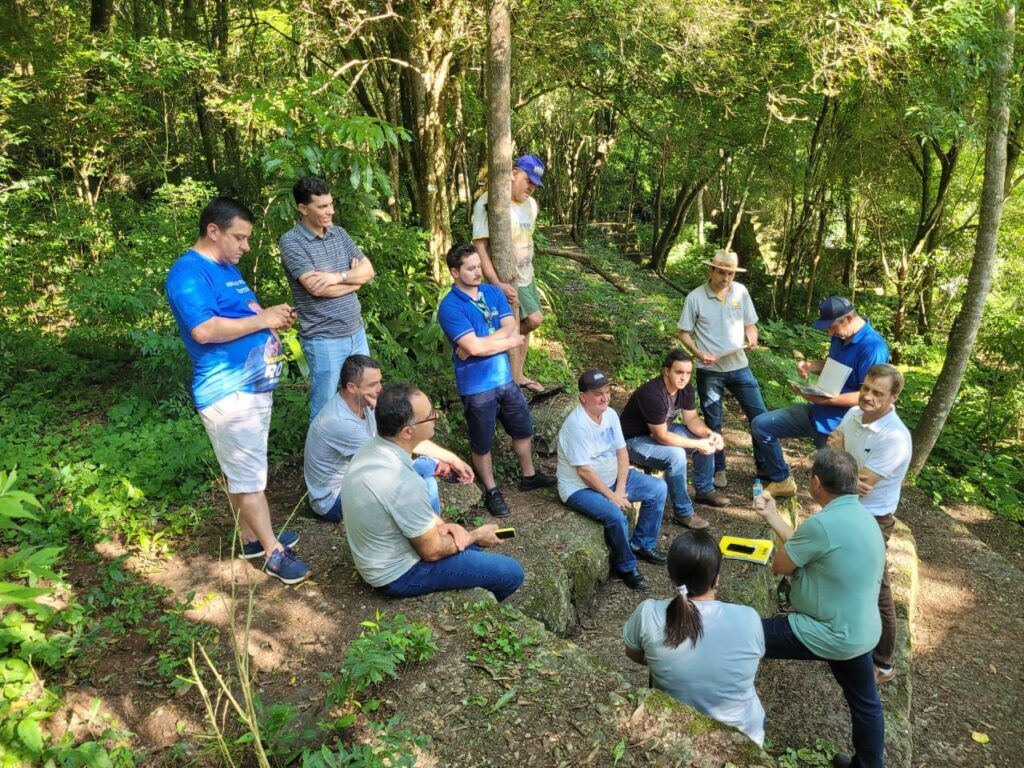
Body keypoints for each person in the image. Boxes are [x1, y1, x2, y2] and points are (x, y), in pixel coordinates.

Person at [166, 196, 309, 585]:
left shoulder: (225, 267)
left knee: (241, 471)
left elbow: (242, 314)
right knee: (249, 478)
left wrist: (268, 321)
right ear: (213, 231)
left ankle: (250, 539)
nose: (246, 246)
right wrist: (262, 319)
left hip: (252, 387)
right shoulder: (189, 274)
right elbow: (205, 330)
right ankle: (273, 552)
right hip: (229, 393)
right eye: (239, 237)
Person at [755, 449, 886, 768]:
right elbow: (807, 546)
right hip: (861, 630)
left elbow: (783, 565)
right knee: (866, 704)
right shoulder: (862, 516)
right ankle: (869, 765)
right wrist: (773, 517)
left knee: (745, 634)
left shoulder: (824, 524)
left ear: (815, 482)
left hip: (827, 630)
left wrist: (777, 530)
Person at [342, 384, 525, 601]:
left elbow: (413, 515)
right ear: (407, 431)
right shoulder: (401, 481)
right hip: (399, 574)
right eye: (429, 416)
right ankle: (486, 610)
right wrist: (474, 535)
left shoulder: (374, 447)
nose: (435, 416)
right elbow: (431, 551)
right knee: (512, 572)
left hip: (378, 559)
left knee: (471, 552)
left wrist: (442, 526)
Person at [437, 243, 556, 518]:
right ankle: (491, 489)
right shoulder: (450, 307)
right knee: (482, 441)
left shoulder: (492, 292)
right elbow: (486, 345)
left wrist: (479, 344)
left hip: (504, 379)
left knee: (522, 428)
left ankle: (529, 475)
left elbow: (509, 326)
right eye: (470, 268)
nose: (478, 272)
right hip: (476, 386)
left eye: (479, 266)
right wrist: (501, 343)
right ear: (455, 272)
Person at [623, 530, 766, 745]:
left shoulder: (648, 613)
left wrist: (664, 662)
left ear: (671, 576)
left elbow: (633, 653)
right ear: (716, 578)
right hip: (744, 736)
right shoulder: (749, 617)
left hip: (677, 731)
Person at [304, 354, 474, 522]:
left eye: (379, 381)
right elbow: (394, 455)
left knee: (425, 480)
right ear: (352, 387)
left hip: (360, 477)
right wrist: (385, 416)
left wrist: (452, 458)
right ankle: (433, 534)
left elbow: (403, 438)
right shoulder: (340, 422)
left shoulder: (365, 401)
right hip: (333, 500)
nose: (379, 389)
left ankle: (430, 529)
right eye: (372, 384)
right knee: (424, 482)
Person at [750, 296, 889, 498]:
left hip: (841, 428)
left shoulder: (873, 348)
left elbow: (868, 397)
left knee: (836, 488)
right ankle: (781, 480)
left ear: (848, 319)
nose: (829, 332)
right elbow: (833, 363)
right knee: (762, 425)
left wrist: (826, 400)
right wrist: (811, 366)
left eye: (832, 327)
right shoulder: (841, 336)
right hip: (817, 412)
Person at [828, 364, 912, 686]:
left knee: (878, 589)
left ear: (893, 397)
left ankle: (885, 663)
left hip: (872, 519)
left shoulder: (895, 439)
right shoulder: (852, 414)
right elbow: (844, 474)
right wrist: (845, 470)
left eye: (878, 393)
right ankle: (845, 635)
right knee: (841, 573)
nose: (867, 397)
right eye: (865, 388)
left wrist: (841, 460)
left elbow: (852, 480)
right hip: (845, 507)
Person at [557, 369, 669, 591]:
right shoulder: (576, 425)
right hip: (579, 489)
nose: (605, 398)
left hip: (612, 480)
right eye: (598, 393)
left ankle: (642, 544)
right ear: (583, 397)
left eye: (607, 392)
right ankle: (626, 567)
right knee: (614, 514)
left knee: (658, 488)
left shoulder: (609, 415)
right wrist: (612, 497)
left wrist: (619, 489)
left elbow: (622, 453)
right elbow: (584, 472)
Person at [279, 175, 375, 421]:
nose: (330, 211)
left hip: (356, 332)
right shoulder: (291, 242)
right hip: (324, 339)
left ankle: (363, 453)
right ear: (303, 209)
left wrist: (336, 276)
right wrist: (355, 283)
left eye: (331, 204)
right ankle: (320, 459)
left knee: (366, 397)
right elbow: (317, 289)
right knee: (325, 407)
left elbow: (369, 271)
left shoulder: (339, 234)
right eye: (322, 206)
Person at [677, 249, 769, 491]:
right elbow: (683, 333)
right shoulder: (695, 298)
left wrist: (752, 338)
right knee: (714, 421)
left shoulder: (741, 292)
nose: (726, 278)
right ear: (711, 270)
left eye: (730, 273)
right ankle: (719, 469)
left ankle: (763, 466)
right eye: (722, 272)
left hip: (740, 366)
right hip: (710, 370)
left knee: (760, 418)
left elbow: (751, 324)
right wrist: (698, 354)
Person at [620, 349, 730, 530]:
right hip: (634, 440)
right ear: (666, 371)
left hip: (661, 430)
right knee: (676, 455)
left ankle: (704, 490)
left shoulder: (685, 389)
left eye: (688, 373)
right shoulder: (653, 393)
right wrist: (697, 444)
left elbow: (692, 420)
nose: (684, 377)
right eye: (679, 372)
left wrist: (709, 435)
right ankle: (683, 512)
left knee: (703, 437)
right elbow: (661, 436)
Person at [472, 154, 546, 393]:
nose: (531, 187)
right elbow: (481, 247)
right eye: (528, 180)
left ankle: (518, 374)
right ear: (513, 172)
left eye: (536, 184)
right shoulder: (490, 202)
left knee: (527, 324)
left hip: (527, 275)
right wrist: (495, 283)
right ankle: (504, 363)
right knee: (533, 320)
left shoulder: (531, 205)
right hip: (506, 278)